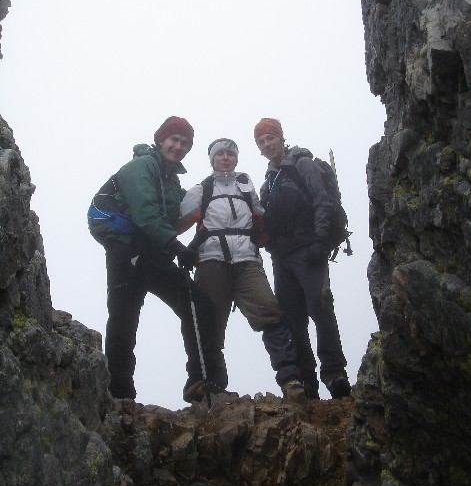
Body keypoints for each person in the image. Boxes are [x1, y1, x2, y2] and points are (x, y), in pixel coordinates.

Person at [103, 115, 234, 404]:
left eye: (185, 143)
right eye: (174, 139)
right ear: (161, 139)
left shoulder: (171, 181)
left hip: (156, 256)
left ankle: (202, 381)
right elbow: (145, 213)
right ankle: (118, 395)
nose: (178, 146)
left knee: (199, 307)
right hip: (127, 253)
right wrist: (177, 247)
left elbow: (178, 216)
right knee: (124, 320)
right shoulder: (140, 167)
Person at [177, 138, 304, 398]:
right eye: (220, 154)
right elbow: (177, 222)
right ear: (212, 159)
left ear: (236, 158)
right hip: (211, 259)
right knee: (210, 323)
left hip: (246, 260)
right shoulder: (202, 189)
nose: (225, 158)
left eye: (230, 154)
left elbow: (262, 220)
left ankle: (291, 379)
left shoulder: (246, 187)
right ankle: (209, 385)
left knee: (269, 311)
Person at [253, 118, 351, 400]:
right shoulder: (268, 183)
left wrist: (320, 239)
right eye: (261, 142)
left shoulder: (302, 164)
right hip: (282, 258)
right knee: (293, 318)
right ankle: (308, 381)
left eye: (270, 138)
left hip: (308, 249)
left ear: (281, 138)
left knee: (320, 307)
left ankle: (334, 372)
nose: (267, 144)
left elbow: (322, 201)